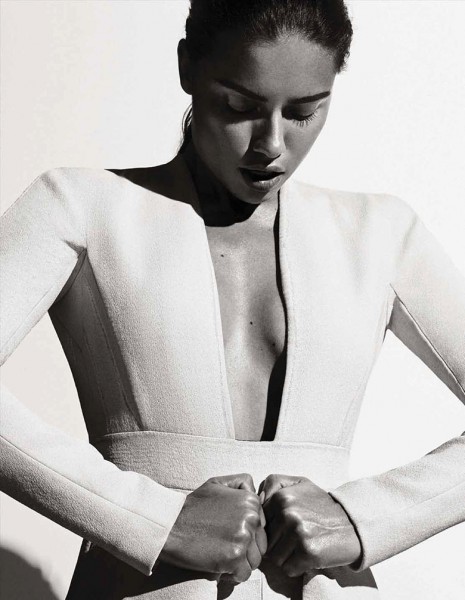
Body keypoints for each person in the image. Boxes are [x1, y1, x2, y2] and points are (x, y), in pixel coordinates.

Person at [0, 0, 464, 599]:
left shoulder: (381, 233)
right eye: (240, 106)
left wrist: (362, 518)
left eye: (304, 112)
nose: (272, 144)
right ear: (186, 67)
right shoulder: (79, 206)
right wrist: (155, 520)